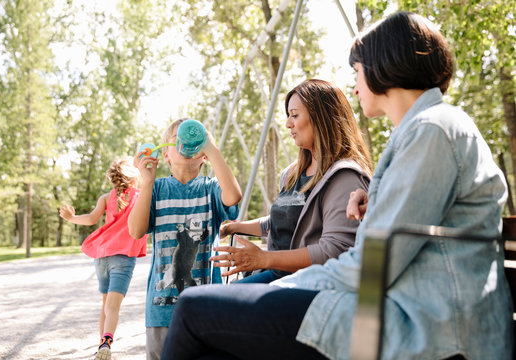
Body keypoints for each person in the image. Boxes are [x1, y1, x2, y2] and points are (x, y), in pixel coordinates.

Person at [160, 11, 513, 360]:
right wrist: (377, 200)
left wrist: (281, 284)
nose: (355, 85)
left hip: (422, 326)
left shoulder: (432, 131)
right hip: (395, 308)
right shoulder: (423, 132)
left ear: (383, 67)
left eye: (357, 71)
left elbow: (377, 263)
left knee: (193, 307)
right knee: (212, 344)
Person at [212, 79, 371, 283]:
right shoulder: (292, 174)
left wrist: (263, 259)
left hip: (304, 282)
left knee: (210, 303)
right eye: (288, 116)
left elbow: (334, 250)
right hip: (276, 274)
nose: (288, 124)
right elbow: (279, 222)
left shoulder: (344, 177)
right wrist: (234, 227)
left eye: (295, 115)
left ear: (321, 118)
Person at [128, 119, 242, 360]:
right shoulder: (156, 190)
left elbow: (233, 196)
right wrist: (146, 182)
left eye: (193, 139)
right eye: (176, 138)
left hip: (207, 308)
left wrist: (210, 147)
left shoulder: (211, 189)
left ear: (204, 156)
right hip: (162, 310)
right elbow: (136, 231)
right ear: (165, 155)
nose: (185, 142)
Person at [59, 156, 148, 360]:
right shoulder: (141, 195)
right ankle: (106, 341)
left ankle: (102, 347)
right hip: (123, 257)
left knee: (106, 305)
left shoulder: (106, 198)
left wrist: (71, 218)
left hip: (102, 257)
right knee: (113, 307)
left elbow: (91, 219)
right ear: (134, 177)